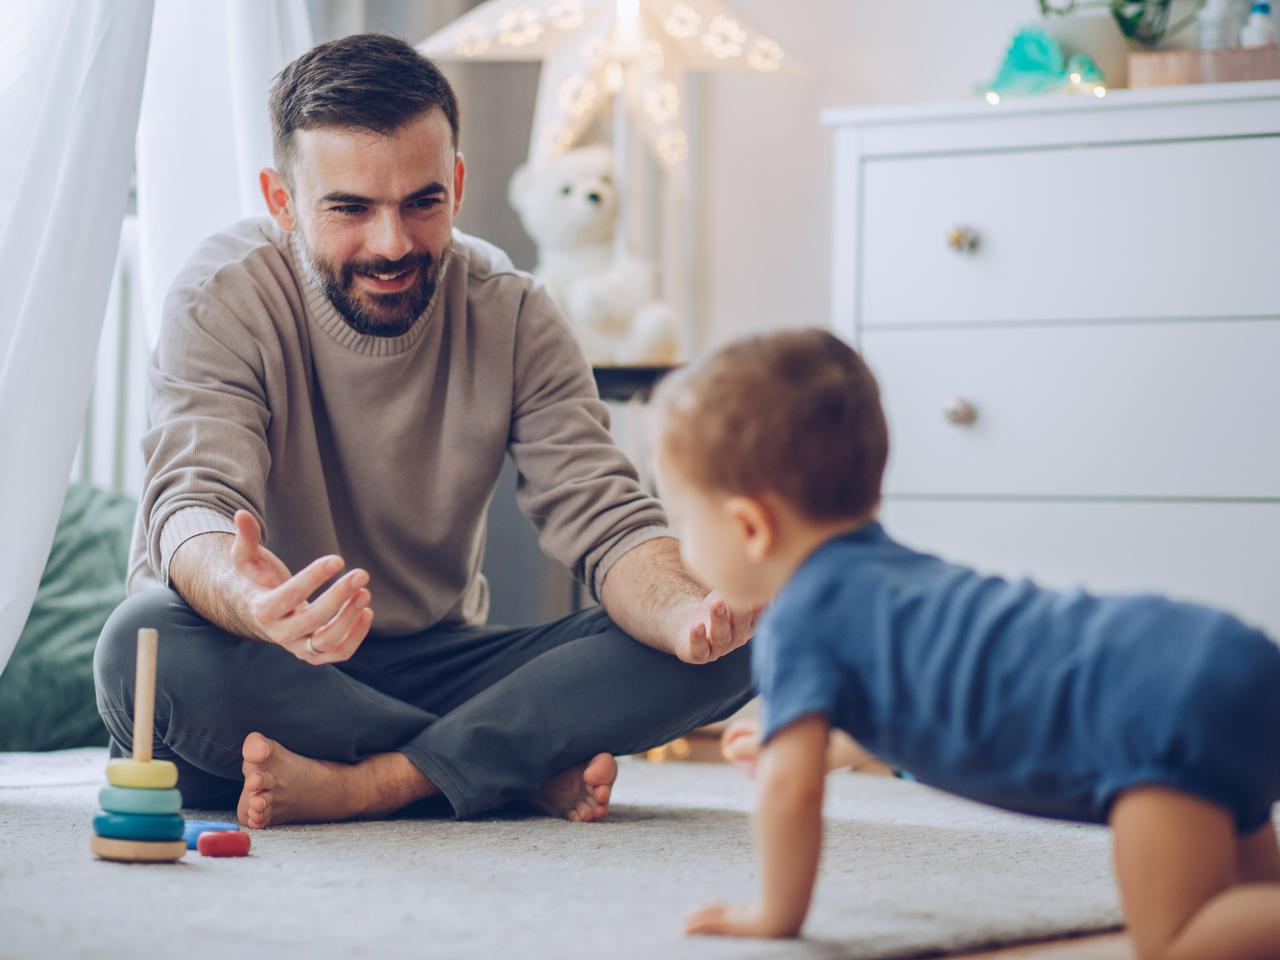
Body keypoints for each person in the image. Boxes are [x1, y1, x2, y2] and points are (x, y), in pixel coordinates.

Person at [93, 33, 754, 830]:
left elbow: (608, 519)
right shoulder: (222, 295)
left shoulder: (512, 312)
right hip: (263, 665)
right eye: (349, 208)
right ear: (282, 201)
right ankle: (501, 769)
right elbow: (191, 505)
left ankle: (377, 783)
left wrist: (689, 612)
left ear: (459, 185)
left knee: (753, 630)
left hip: (430, 665)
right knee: (142, 644)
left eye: (421, 201)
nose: (392, 243)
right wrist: (253, 598)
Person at [650, 329, 1280, 959]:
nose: (686, 547)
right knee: (1255, 905)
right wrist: (814, 743)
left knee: (1176, 940)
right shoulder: (888, 577)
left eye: (683, 522)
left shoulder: (799, 619)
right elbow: (923, 698)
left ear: (749, 527)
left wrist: (774, 916)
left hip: (1152, 712)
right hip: (1202, 658)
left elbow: (791, 793)